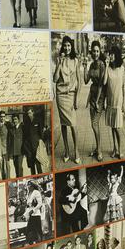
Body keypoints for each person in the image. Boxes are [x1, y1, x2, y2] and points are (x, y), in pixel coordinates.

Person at [54, 36, 82, 164]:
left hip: (71, 95)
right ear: (62, 47)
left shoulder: (75, 61)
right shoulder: (59, 59)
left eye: (69, 45)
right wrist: (59, 63)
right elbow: (55, 79)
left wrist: (77, 99)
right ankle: (66, 150)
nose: (67, 47)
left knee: (73, 125)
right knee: (64, 124)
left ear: (71, 46)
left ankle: (76, 151)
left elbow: (79, 81)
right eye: (65, 46)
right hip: (61, 96)